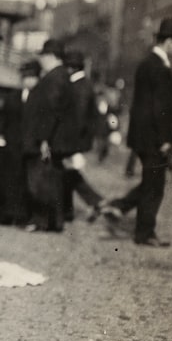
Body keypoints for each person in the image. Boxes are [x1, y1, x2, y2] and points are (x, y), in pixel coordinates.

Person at [101, 18, 172, 246]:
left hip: (143, 136)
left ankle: (119, 206)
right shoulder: (159, 67)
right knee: (154, 187)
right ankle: (144, 233)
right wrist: (164, 139)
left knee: (152, 183)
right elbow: (159, 107)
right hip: (154, 138)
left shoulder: (149, 64)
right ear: (169, 41)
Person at [21, 39, 70, 232]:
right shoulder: (60, 76)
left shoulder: (53, 78)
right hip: (50, 137)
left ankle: (41, 221)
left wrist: (43, 139)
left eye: (42, 55)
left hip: (44, 139)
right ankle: (53, 222)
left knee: (39, 181)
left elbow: (50, 110)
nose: (40, 59)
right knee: (51, 181)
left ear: (50, 56)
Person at [0, 59, 39, 226]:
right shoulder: (13, 96)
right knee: (5, 179)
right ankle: (0, 213)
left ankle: (20, 215)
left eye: (33, 77)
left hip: (27, 146)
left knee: (23, 182)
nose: (29, 81)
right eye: (26, 77)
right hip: (10, 144)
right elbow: (2, 116)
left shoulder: (39, 98)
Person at [61, 49, 106, 221]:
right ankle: (71, 209)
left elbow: (78, 118)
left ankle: (95, 201)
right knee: (68, 174)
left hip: (74, 139)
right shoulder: (83, 84)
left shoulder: (79, 86)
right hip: (77, 139)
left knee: (69, 173)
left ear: (71, 68)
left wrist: (69, 142)